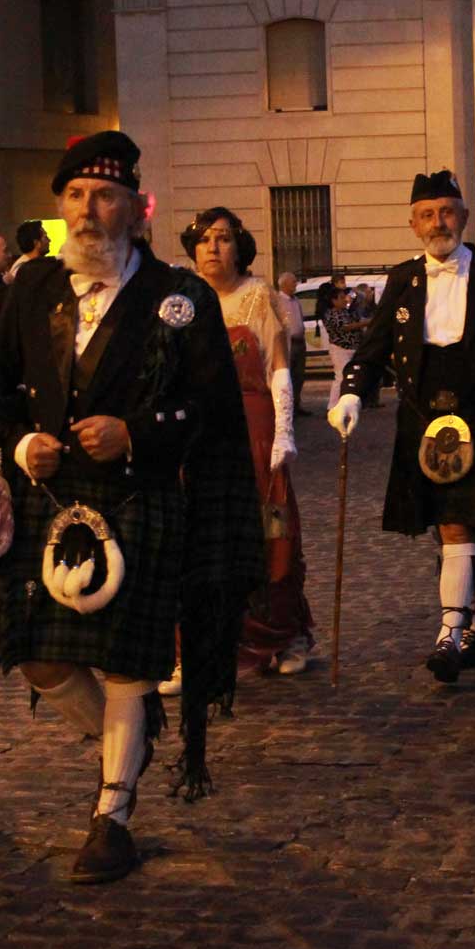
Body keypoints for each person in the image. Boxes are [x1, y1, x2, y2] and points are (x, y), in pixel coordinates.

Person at [0, 130, 260, 885]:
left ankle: (113, 811)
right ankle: (123, 743)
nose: (89, 210)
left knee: (130, 662)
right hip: (52, 498)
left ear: (136, 207)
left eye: (105, 196)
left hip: (139, 495)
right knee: (31, 648)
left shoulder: (179, 295)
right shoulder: (31, 287)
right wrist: (22, 437)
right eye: (74, 196)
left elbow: (213, 407)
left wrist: (136, 432)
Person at [328, 170, 475, 684]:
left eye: (447, 212)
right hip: (424, 419)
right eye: (427, 214)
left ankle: (450, 631)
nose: (438, 222)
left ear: (465, 218)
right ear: (413, 224)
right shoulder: (403, 279)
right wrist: (352, 395)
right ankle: (465, 626)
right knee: (449, 525)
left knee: (460, 523)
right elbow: (374, 346)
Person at [185, 209, 314, 677]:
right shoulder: (184, 299)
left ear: (239, 247)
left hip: (254, 431)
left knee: (272, 532)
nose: (212, 248)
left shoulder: (257, 297)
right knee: (201, 540)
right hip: (201, 435)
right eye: (204, 240)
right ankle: (205, 645)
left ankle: (285, 633)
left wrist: (283, 433)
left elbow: (279, 366)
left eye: (222, 239)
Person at [321, 282, 368, 403]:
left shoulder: (345, 311)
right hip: (340, 349)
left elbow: (357, 306)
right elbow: (345, 327)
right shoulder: (331, 313)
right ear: (333, 300)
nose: (345, 300)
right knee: (341, 377)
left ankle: (346, 402)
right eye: (341, 298)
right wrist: (365, 323)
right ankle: (333, 405)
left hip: (351, 348)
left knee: (351, 377)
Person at [274, 272, 309, 415]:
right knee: (287, 376)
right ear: (284, 284)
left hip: (299, 342)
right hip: (288, 343)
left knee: (299, 376)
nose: (295, 285)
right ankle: (287, 408)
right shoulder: (277, 301)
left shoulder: (296, 300)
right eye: (293, 282)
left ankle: (297, 405)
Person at [4, 218, 49, 283]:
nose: (49, 240)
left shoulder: (35, 264)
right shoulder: (22, 269)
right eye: (45, 237)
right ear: (36, 243)